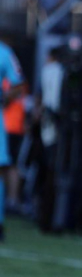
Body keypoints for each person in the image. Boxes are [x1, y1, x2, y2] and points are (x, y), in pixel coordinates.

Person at [0, 38, 25, 242]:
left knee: (1, 170)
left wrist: (4, 97)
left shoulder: (4, 53)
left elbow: (18, 84)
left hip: (3, 124)